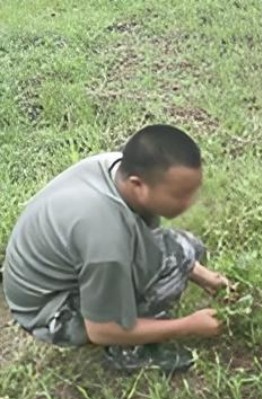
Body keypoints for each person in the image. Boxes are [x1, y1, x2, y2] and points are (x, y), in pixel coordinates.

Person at [3, 125, 231, 374]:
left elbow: (151, 236)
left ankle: (128, 313)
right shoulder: (105, 239)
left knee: (187, 250)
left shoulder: (121, 170)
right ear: (138, 185)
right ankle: (130, 352)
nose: (191, 202)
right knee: (167, 279)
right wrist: (188, 325)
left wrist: (203, 275)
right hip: (48, 308)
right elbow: (101, 330)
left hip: (56, 270)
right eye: (181, 195)